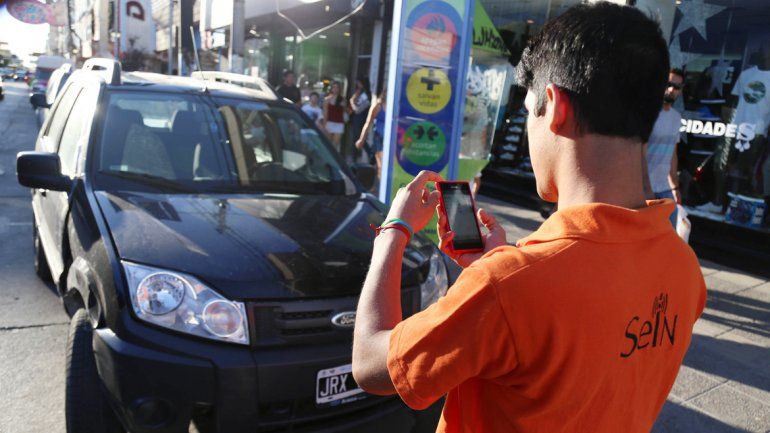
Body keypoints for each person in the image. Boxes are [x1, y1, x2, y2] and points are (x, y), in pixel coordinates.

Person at [351, 4, 706, 433]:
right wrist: (499, 268)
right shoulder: (684, 268)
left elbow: (371, 364)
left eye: (527, 111)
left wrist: (394, 231)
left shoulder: (508, 286)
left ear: (554, 106)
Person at [643, 68, 685, 227]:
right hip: (643, 189)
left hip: (665, 189)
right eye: (668, 84)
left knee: (669, 236)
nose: (671, 90)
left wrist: (675, 186)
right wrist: (645, 189)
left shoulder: (676, 117)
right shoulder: (648, 114)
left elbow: (672, 154)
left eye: (677, 87)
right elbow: (637, 153)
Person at [355, 87, 386, 181]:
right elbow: (368, 123)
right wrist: (361, 139)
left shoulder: (397, 106)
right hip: (380, 138)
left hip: (393, 139)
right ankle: (382, 187)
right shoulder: (377, 106)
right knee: (382, 165)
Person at [323, 81, 346, 153]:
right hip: (329, 122)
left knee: (335, 144)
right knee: (328, 144)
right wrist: (324, 125)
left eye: (337, 87)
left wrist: (343, 106)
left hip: (339, 123)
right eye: (334, 87)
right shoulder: (327, 99)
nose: (335, 89)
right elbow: (325, 113)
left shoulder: (343, 100)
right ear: (331, 88)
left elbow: (345, 112)